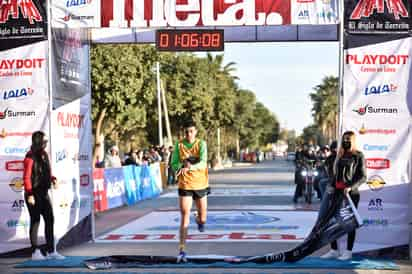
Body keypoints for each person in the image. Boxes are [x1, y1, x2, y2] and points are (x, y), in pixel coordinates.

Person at [321, 131, 366, 260]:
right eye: (344, 139)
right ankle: (334, 250)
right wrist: (330, 185)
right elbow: (333, 175)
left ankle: (348, 251)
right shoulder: (338, 155)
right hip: (336, 193)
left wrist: (351, 187)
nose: (346, 141)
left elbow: (363, 176)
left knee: (349, 223)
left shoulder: (358, 156)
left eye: (348, 139)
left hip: (351, 194)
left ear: (353, 141)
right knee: (331, 221)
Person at [171, 119, 209, 263]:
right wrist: (179, 167)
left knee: (203, 216)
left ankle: (200, 220)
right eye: (186, 132)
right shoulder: (179, 145)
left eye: (191, 131)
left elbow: (204, 162)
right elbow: (174, 163)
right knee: (184, 214)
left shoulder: (201, 144)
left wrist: (191, 167)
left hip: (200, 184)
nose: (189, 134)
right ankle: (182, 250)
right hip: (185, 184)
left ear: (196, 132)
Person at [23, 131, 65, 260]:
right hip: (33, 193)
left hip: (44, 193)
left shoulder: (45, 154)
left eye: (46, 141)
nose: (46, 143)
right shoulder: (29, 157)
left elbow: (47, 172)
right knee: (35, 221)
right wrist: (30, 194)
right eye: (44, 141)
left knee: (50, 219)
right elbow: (26, 177)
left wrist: (53, 179)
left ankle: (51, 250)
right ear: (38, 141)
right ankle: (35, 252)